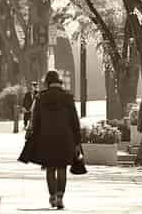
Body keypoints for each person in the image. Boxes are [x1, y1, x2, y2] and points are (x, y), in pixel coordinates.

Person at [28, 69, 82, 210]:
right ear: (59, 82)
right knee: (62, 167)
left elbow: (36, 120)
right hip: (65, 138)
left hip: (46, 138)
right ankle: (60, 197)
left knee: (50, 168)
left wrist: (35, 136)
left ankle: (52, 196)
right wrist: (77, 141)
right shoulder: (68, 97)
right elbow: (74, 121)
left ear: (47, 82)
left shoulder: (41, 97)